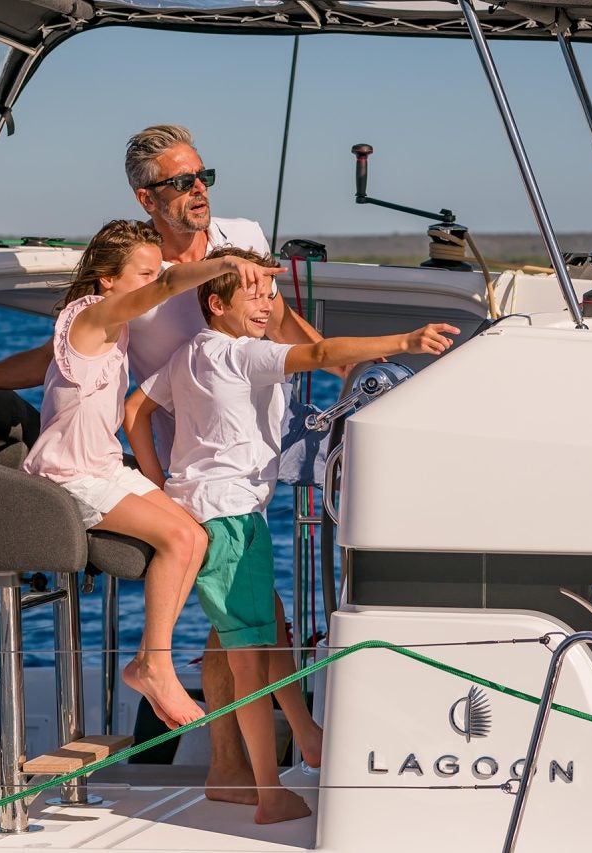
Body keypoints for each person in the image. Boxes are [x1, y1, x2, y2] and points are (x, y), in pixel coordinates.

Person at [0, 124, 329, 802]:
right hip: (188, 462)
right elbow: (70, 352)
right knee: (245, 612)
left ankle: (253, 758)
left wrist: (316, 346)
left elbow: (278, 327)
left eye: (202, 176)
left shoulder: (235, 237)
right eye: (181, 182)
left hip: (248, 457)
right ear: (146, 196)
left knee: (250, 612)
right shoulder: (144, 274)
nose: (197, 191)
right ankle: (237, 764)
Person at [124, 247, 459, 823]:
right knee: (250, 662)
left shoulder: (190, 353)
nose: (265, 305)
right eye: (251, 295)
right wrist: (405, 342)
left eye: (269, 295)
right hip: (229, 520)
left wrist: (163, 487)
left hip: (212, 513)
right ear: (216, 302)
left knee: (270, 631)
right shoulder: (239, 355)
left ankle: (309, 738)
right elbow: (323, 352)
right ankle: (267, 793)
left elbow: (134, 410)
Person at [24, 219, 284, 728]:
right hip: (69, 475)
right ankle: (154, 664)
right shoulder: (97, 315)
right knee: (179, 541)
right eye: (142, 274)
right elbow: (169, 286)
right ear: (108, 281)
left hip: (104, 465)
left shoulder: (106, 329)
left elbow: (40, 362)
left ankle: (152, 659)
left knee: (194, 532)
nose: (153, 284)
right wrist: (228, 263)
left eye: (153, 273)